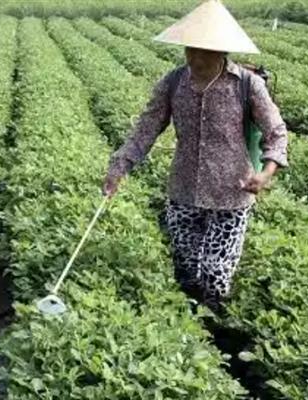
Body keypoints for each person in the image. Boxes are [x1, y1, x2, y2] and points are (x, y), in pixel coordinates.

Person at [102, 0, 288, 310]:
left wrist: (266, 172)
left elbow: (276, 132)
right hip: (183, 190)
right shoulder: (173, 82)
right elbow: (146, 129)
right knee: (186, 271)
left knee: (216, 275)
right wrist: (118, 167)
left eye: (204, 51)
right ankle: (187, 324)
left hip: (231, 194)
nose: (195, 57)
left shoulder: (247, 85)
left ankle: (212, 319)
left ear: (222, 51)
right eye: (191, 49)